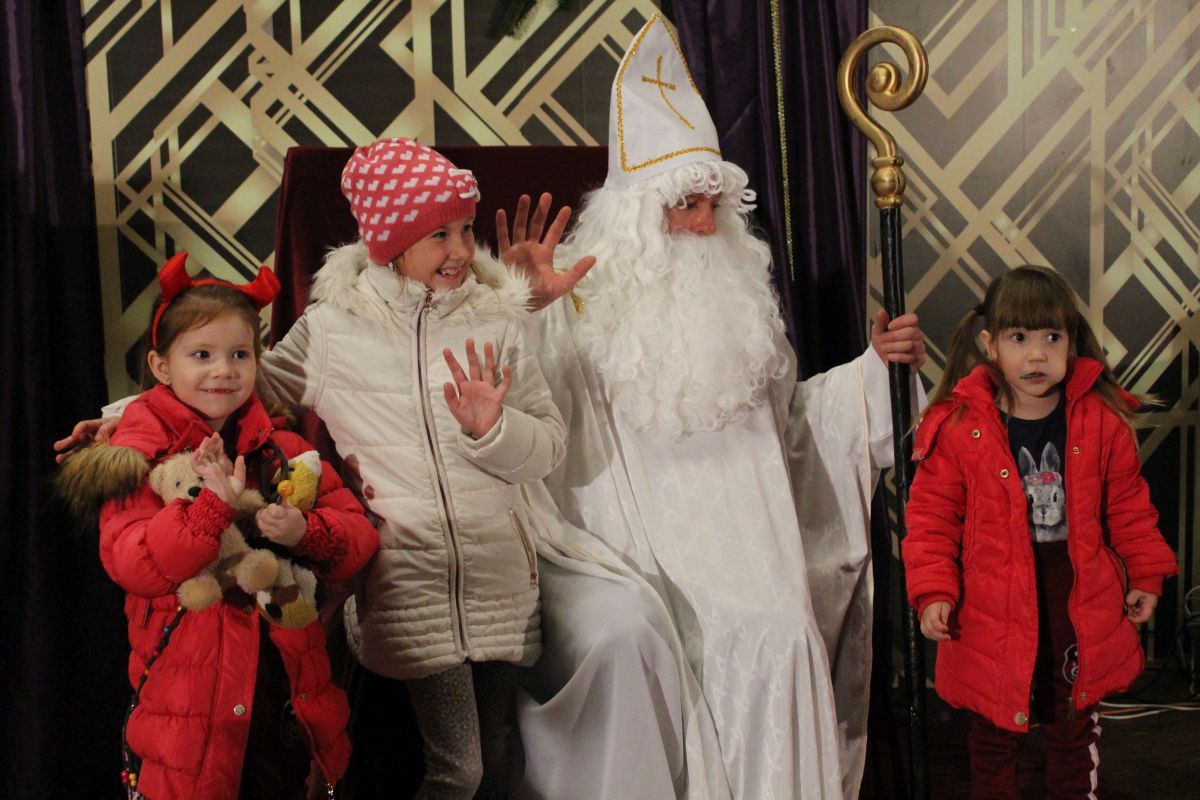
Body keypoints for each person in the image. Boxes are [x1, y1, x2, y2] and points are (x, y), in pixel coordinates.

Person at [497, 14, 927, 800]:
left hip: (754, 555)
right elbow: (521, 421)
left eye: (711, 205)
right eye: (685, 205)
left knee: (784, 635)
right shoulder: (576, 302)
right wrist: (519, 312)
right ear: (635, 217)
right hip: (630, 555)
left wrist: (875, 375)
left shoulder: (740, 310)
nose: (703, 224)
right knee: (688, 639)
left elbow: (797, 431)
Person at [55, 257, 380, 800]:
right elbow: (134, 562)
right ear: (162, 367)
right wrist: (208, 509)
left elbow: (357, 540)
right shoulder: (136, 459)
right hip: (191, 714)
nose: (223, 370)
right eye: (201, 355)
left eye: (239, 354)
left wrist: (303, 531)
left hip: (284, 703)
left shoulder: (283, 449)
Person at [902, 265, 1178, 798]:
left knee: (1072, 726)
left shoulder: (1099, 419)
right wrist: (935, 590)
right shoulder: (960, 426)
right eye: (1019, 338)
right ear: (989, 344)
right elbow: (932, 519)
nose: (1036, 355)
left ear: (1071, 342)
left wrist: (1145, 573)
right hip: (991, 605)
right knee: (993, 736)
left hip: (1075, 601)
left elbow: (1127, 507)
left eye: (1052, 338)